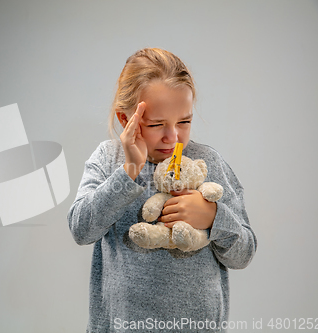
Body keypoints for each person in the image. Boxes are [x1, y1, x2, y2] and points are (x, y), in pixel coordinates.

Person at [67, 48, 257, 333]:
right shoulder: (109, 159)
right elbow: (82, 230)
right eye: (157, 124)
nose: (173, 136)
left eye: (184, 121)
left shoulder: (208, 164)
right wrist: (129, 171)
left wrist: (214, 216)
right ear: (124, 119)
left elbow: (243, 254)